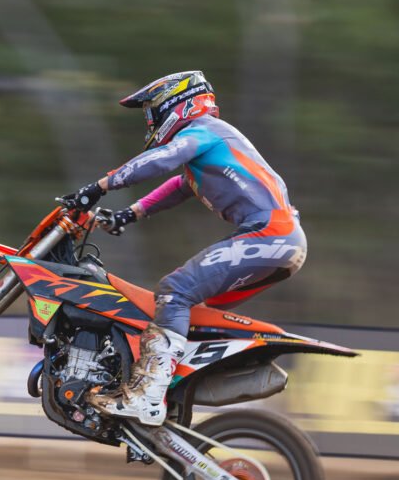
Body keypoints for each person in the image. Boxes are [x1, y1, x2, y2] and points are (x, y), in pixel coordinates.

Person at [59, 70, 306, 426]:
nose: (150, 121)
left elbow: (163, 159)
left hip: (270, 235)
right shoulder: (209, 148)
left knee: (174, 292)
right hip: (281, 240)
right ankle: (171, 403)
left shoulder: (203, 130)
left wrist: (99, 187)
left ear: (178, 105)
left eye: (153, 112)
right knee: (192, 317)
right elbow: (178, 186)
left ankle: (147, 395)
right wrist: (130, 214)